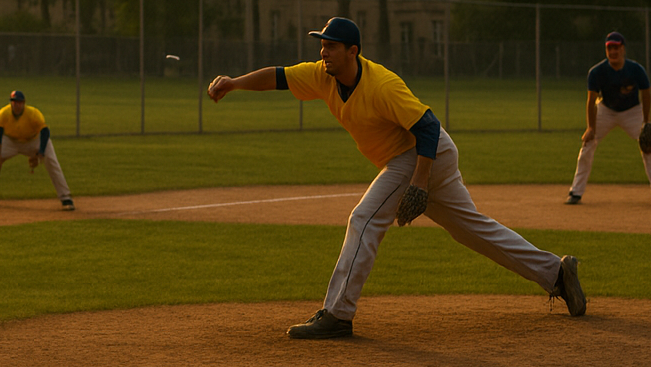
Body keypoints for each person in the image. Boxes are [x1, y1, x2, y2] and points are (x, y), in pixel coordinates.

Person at [207, 17, 588, 340]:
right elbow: (277, 77)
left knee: (364, 218)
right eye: (322, 44)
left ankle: (337, 314)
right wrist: (234, 83)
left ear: (353, 51)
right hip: (413, 158)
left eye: (331, 45)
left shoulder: (382, 84)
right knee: (471, 229)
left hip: (422, 154)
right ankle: (555, 271)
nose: (323, 50)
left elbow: (427, 126)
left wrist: (420, 183)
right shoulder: (323, 76)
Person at [566, 31, 651, 207]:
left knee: (649, 147)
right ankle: (575, 192)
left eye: (616, 47)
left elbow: (646, 94)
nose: (613, 51)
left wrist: (646, 122)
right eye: (610, 48)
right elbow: (591, 101)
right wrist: (591, 128)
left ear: (623, 49)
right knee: (588, 145)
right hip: (606, 110)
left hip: (632, 112)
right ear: (606, 50)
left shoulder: (636, 69)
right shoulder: (597, 72)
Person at [0, 90, 74, 211]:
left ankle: (66, 198)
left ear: (24, 103)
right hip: (11, 142)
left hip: (34, 140)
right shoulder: (3, 113)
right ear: (11, 103)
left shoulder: (33, 113)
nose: (17, 105)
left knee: (52, 162)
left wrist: (40, 153)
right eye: (14, 102)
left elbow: (45, 132)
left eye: (19, 102)